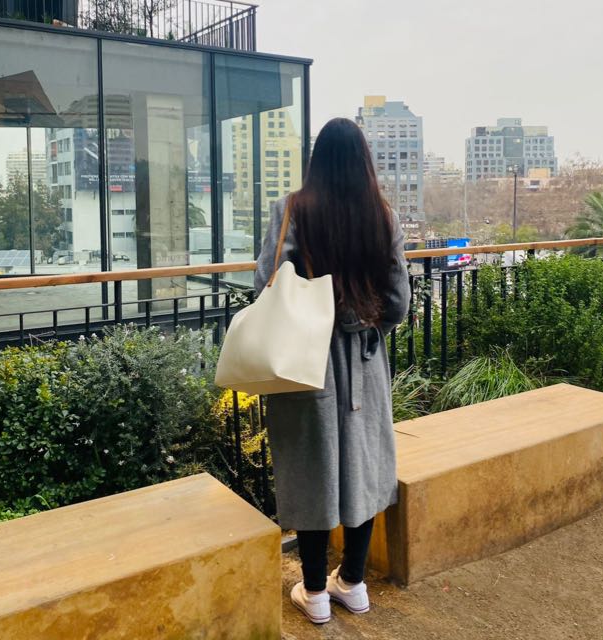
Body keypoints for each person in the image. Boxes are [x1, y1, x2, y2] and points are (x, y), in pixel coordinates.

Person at [254, 117, 411, 625]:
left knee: (311, 466)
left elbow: (267, 284)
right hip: (363, 357)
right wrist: (366, 323)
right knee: (366, 464)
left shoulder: (291, 210)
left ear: (316, 160)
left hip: (307, 361)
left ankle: (316, 591)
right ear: (364, 161)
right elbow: (399, 301)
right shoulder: (382, 216)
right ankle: (354, 583)